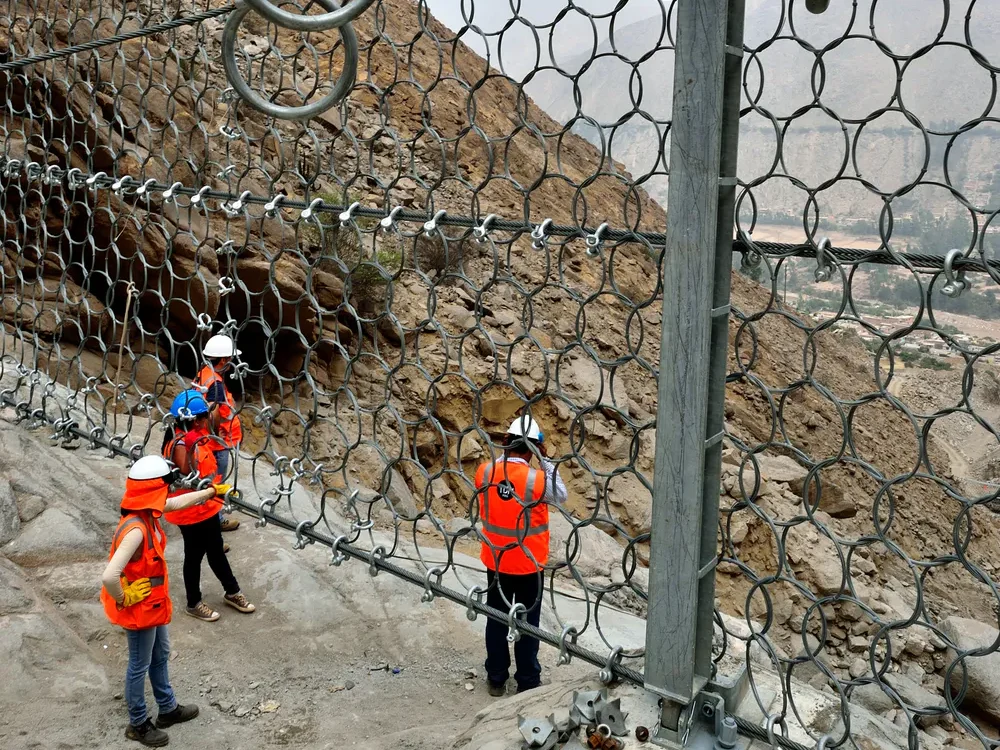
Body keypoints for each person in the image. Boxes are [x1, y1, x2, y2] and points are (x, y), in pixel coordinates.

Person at [100, 455, 222, 746]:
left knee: (160, 654)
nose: (169, 493)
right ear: (154, 490)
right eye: (166, 487)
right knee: (139, 664)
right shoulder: (136, 530)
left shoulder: (146, 513)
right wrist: (125, 596)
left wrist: (210, 493)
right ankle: (138, 722)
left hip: (153, 606)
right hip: (140, 609)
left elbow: (176, 503)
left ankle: (167, 708)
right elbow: (109, 576)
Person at [475, 415, 567, 698]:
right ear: (534, 449)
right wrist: (545, 460)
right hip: (528, 564)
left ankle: (496, 678)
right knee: (527, 624)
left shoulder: (485, 471)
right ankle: (527, 681)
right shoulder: (537, 479)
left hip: (496, 560)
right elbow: (561, 494)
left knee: (496, 618)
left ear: (505, 443)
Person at [163, 389, 256, 622]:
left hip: (208, 506)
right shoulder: (181, 444)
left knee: (215, 550)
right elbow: (187, 474)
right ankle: (194, 602)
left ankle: (232, 591)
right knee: (194, 555)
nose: (208, 418)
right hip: (191, 511)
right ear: (194, 420)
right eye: (204, 415)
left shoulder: (196, 436)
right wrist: (194, 445)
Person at [193, 333, 242, 533]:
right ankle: (215, 520)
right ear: (222, 359)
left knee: (210, 481)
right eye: (229, 359)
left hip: (210, 440)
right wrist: (217, 435)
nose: (231, 362)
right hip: (217, 444)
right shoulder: (216, 383)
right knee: (216, 483)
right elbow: (213, 413)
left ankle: (212, 517)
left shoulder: (205, 373)